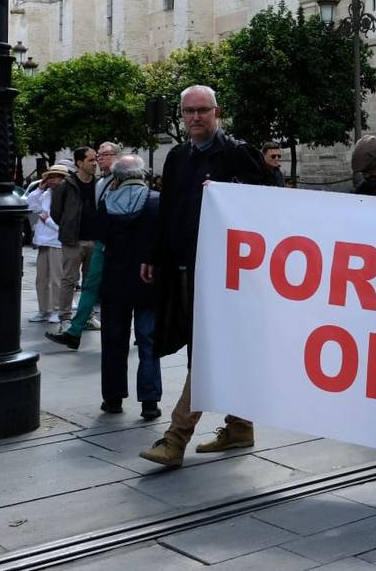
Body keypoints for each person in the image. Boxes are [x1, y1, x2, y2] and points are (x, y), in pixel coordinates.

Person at [138, 85, 271, 469]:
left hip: (224, 274)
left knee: (206, 349)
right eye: (188, 111)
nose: (195, 117)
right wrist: (154, 254)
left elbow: (269, 203)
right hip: (182, 270)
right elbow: (168, 212)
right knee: (216, 347)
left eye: (202, 110)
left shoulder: (236, 153)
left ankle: (176, 437)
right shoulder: (177, 157)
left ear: (217, 112)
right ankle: (240, 424)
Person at [91, 155, 163, 418]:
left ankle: (112, 399)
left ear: (117, 177)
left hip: (115, 281)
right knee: (148, 341)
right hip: (147, 281)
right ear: (142, 174)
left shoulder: (106, 203)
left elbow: (100, 236)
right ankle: (150, 401)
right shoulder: (156, 201)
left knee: (113, 341)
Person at [51, 146, 99, 321]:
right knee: (69, 279)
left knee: (90, 281)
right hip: (72, 240)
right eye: (91, 160)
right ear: (79, 163)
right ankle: (64, 317)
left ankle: (87, 316)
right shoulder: (66, 185)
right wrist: (67, 226)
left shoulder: (98, 183)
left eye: (96, 159)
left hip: (94, 240)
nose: (95, 163)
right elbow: (56, 212)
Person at [27, 165, 68, 323]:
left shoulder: (65, 195)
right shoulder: (46, 194)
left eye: (55, 177)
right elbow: (32, 205)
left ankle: (57, 310)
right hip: (43, 241)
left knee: (57, 278)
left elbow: (64, 222)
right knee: (42, 278)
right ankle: (43, 309)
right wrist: (38, 189)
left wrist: (48, 220)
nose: (51, 180)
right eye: (50, 177)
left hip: (57, 241)